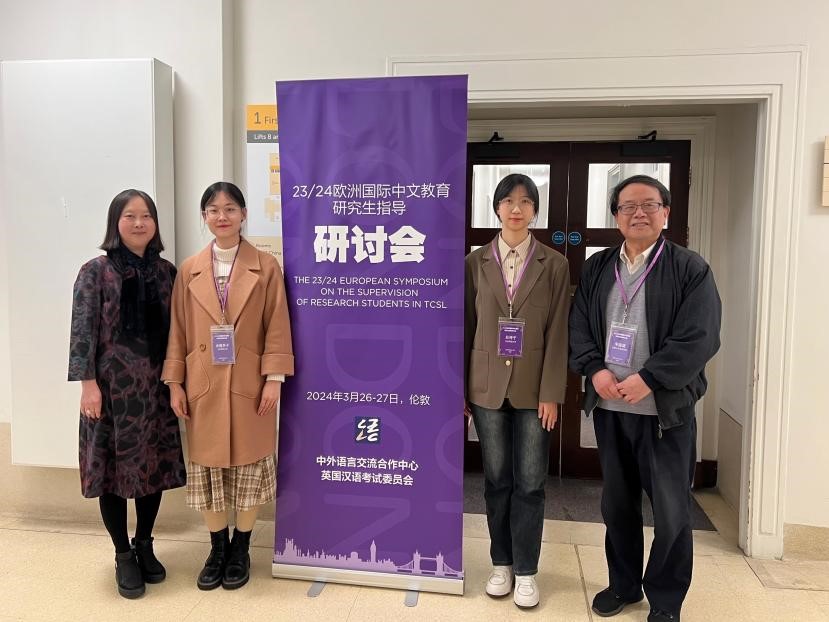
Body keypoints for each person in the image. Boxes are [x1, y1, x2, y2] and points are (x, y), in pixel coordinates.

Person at [569, 175, 721, 622]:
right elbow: (579, 325)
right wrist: (594, 368)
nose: (639, 213)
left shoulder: (690, 268)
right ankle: (623, 585)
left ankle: (666, 600)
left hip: (662, 413)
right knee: (617, 506)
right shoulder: (599, 266)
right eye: (628, 206)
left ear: (665, 212)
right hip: (610, 408)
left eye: (649, 205)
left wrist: (650, 378)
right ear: (616, 216)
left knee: (671, 512)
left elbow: (700, 337)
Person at [162, 181, 294, 591]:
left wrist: (274, 380)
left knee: (250, 468)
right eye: (214, 210)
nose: (222, 216)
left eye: (230, 208)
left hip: (250, 384)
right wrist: (174, 383)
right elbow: (178, 331)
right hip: (203, 383)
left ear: (244, 215)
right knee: (210, 470)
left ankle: (241, 547)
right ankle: (217, 548)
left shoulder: (266, 267)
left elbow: (277, 325)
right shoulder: (189, 269)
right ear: (204, 217)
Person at [68, 189, 186, 599]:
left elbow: (178, 334)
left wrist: (178, 382)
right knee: (112, 475)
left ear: (155, 223)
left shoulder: (167, 273)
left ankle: (145, 544)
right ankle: (122, 554)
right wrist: (88, 385)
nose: (139, 223)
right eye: (129, 216)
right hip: (110, 393)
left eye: (146, 215)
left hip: (154, 389)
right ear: (115, 223)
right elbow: (82, 332)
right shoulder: (95, 272)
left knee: (153, 470)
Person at [464, 173, 570, 608]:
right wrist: (460, 391)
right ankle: (501, 564)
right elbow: (465, 328)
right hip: (486, 389)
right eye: (508, 200)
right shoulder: (474, 262)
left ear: (534, 211)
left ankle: (526, 570)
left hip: (533, 391)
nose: (516, 209)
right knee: (496, 480)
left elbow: (558, 331)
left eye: (525, 202)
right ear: (496, 208)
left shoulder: (554, 264)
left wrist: (552, 392)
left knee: (530, 483)